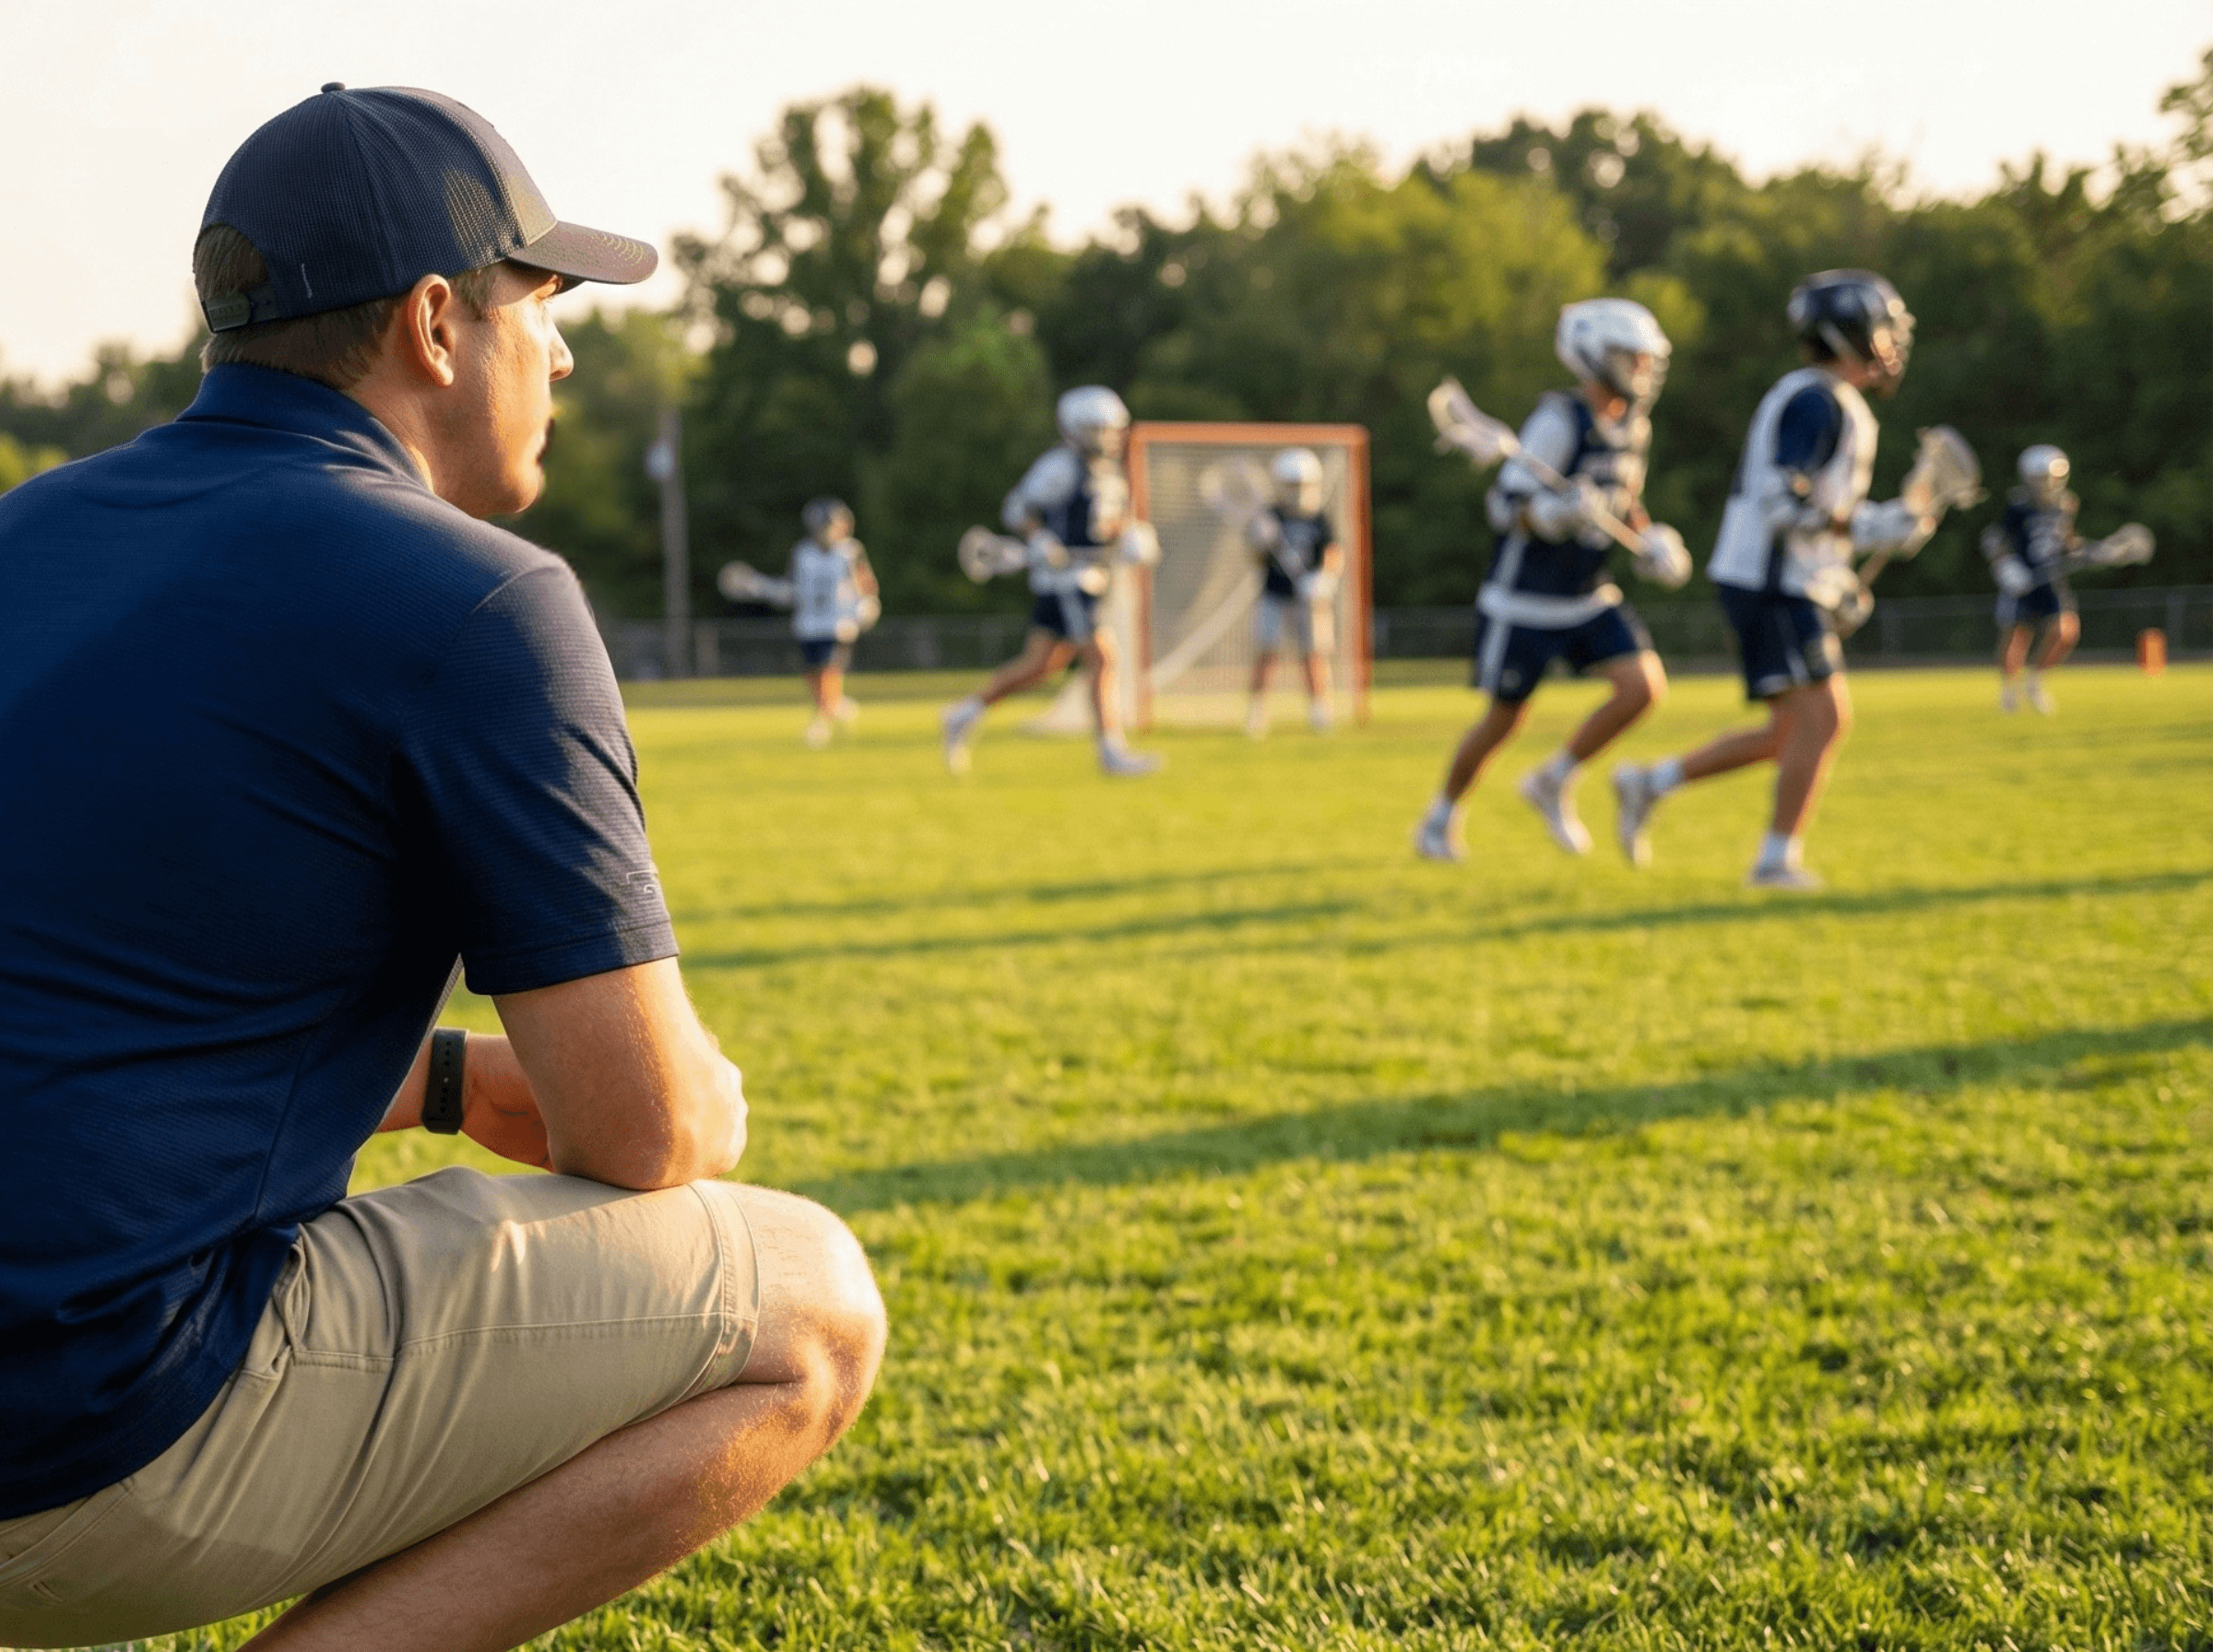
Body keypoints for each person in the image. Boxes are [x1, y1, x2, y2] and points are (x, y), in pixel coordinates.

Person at [0, 86, 884, 1652]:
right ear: (433, 322)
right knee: (805, 1302)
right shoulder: (480, 598)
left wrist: (439, 1078)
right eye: (539, 301)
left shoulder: (31, 532)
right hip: (69, 1439)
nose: (559, 348)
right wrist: (700, 1101)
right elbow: (646, 1126)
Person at [1612, 270, 1936, 888]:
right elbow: (1781, 502)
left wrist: (1839, 576)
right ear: (1851, 333)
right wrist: (1872, 526)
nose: (1893, 343)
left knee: (1789, 730)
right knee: (1824, 720)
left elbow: (1812, 514)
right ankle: (1774, 860)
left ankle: (1648, 784)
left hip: (1790, 581)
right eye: (1885, 329)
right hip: (1770, 583)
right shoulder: (1815, 400)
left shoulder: (1835, 402)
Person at [1414, 298, 1681, 864]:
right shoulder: (1558, 421)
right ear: (1593, 357)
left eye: (1642, 360)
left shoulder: (1636, 425)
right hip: (1525, 599)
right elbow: (1505, 506)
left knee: (1642, 688)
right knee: (1504, 719)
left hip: (1586, 593)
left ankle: (1552, 779)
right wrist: (1555, 514)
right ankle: (1439, 819)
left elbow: (1626, 501)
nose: (1640, 371)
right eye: (1628, 358)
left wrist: (1651, 541)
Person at [940, 386, 1162, 776]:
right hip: (1065, 581)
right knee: (1103, 658)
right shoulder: (1060, 466)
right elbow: (1018, 508)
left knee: (1041, 667)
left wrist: (1128, 536)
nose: (1108, 436)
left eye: (1112, 428)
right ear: (1076, 428)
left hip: (1093, 576)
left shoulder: (1108, 472)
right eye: (1099, 428)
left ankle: (964, 712)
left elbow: (1101, 525)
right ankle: (1111, 751)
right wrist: (1040, 538)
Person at [723, 497, 881, 747]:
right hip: (808, 625)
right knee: (813, 676)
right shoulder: (802, 553)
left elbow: (866, 584)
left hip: (839, 624)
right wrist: (760, 587)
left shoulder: (850, 552)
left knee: (828, 671)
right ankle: (836, 706)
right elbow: (792, 590)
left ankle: (820, 723)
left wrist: (868, 606)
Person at [1243, 447, 1343, 738]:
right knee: (1268, 652)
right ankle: (1257, 711)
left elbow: (1333, 553)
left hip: (1309, 597)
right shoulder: (1269, 517)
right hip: (1275, 594)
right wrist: (1259, 544)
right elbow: (1257, 559)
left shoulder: (1319, 518)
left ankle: (1320, 710)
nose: (1299, 491)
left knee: (1314, 654)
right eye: (1293, 485)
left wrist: (1323, 579)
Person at [1986, 445, 2081, 714]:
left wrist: (2083, 550)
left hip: (2051, 578)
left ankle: (2035, 681)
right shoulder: (2017, 506)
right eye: (2042, 478)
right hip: (2022, 579)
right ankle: (2008, 691)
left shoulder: (2065, 504)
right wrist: (2005, 566)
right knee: (2017, 636)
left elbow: (2067, 540)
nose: (2049, 483)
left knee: (2066, 631)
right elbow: (1994, 540)